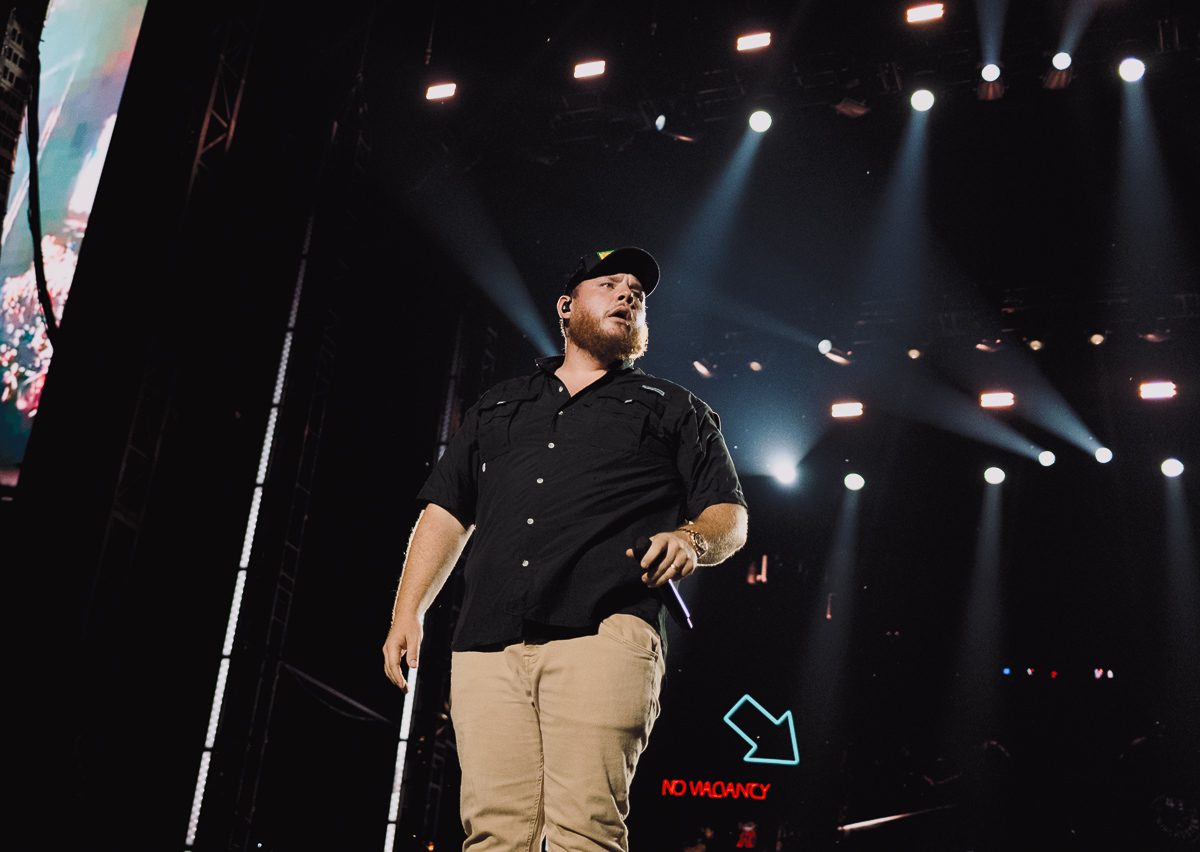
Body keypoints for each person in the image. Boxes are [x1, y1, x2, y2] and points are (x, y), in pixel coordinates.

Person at [382, 246, 749, 851]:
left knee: (584, 833)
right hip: (487, 643)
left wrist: (692, 539)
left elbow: (728, 515)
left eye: (637, 293)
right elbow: (445, 511)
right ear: (565, 306)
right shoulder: (498, 405)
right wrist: (408, 611)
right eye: (609, 284)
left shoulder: (674, 408)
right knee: (493, 836)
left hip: (605, 632)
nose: (628, 295)